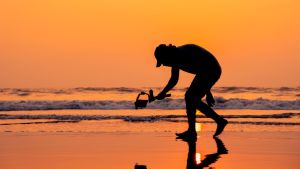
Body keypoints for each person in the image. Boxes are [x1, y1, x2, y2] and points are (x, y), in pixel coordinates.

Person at [153, 44, 228, 138]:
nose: (163, 64)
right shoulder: (175, 58)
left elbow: (202, 69)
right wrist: (163, 92)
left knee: (191, 97)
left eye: (163, 61)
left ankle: (219, 121)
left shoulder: (181, 55)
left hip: (212, 69)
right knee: (190, 98)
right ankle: (192, 131)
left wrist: (208, 92)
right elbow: (174, 79)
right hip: (205, 71)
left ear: (167, 55)